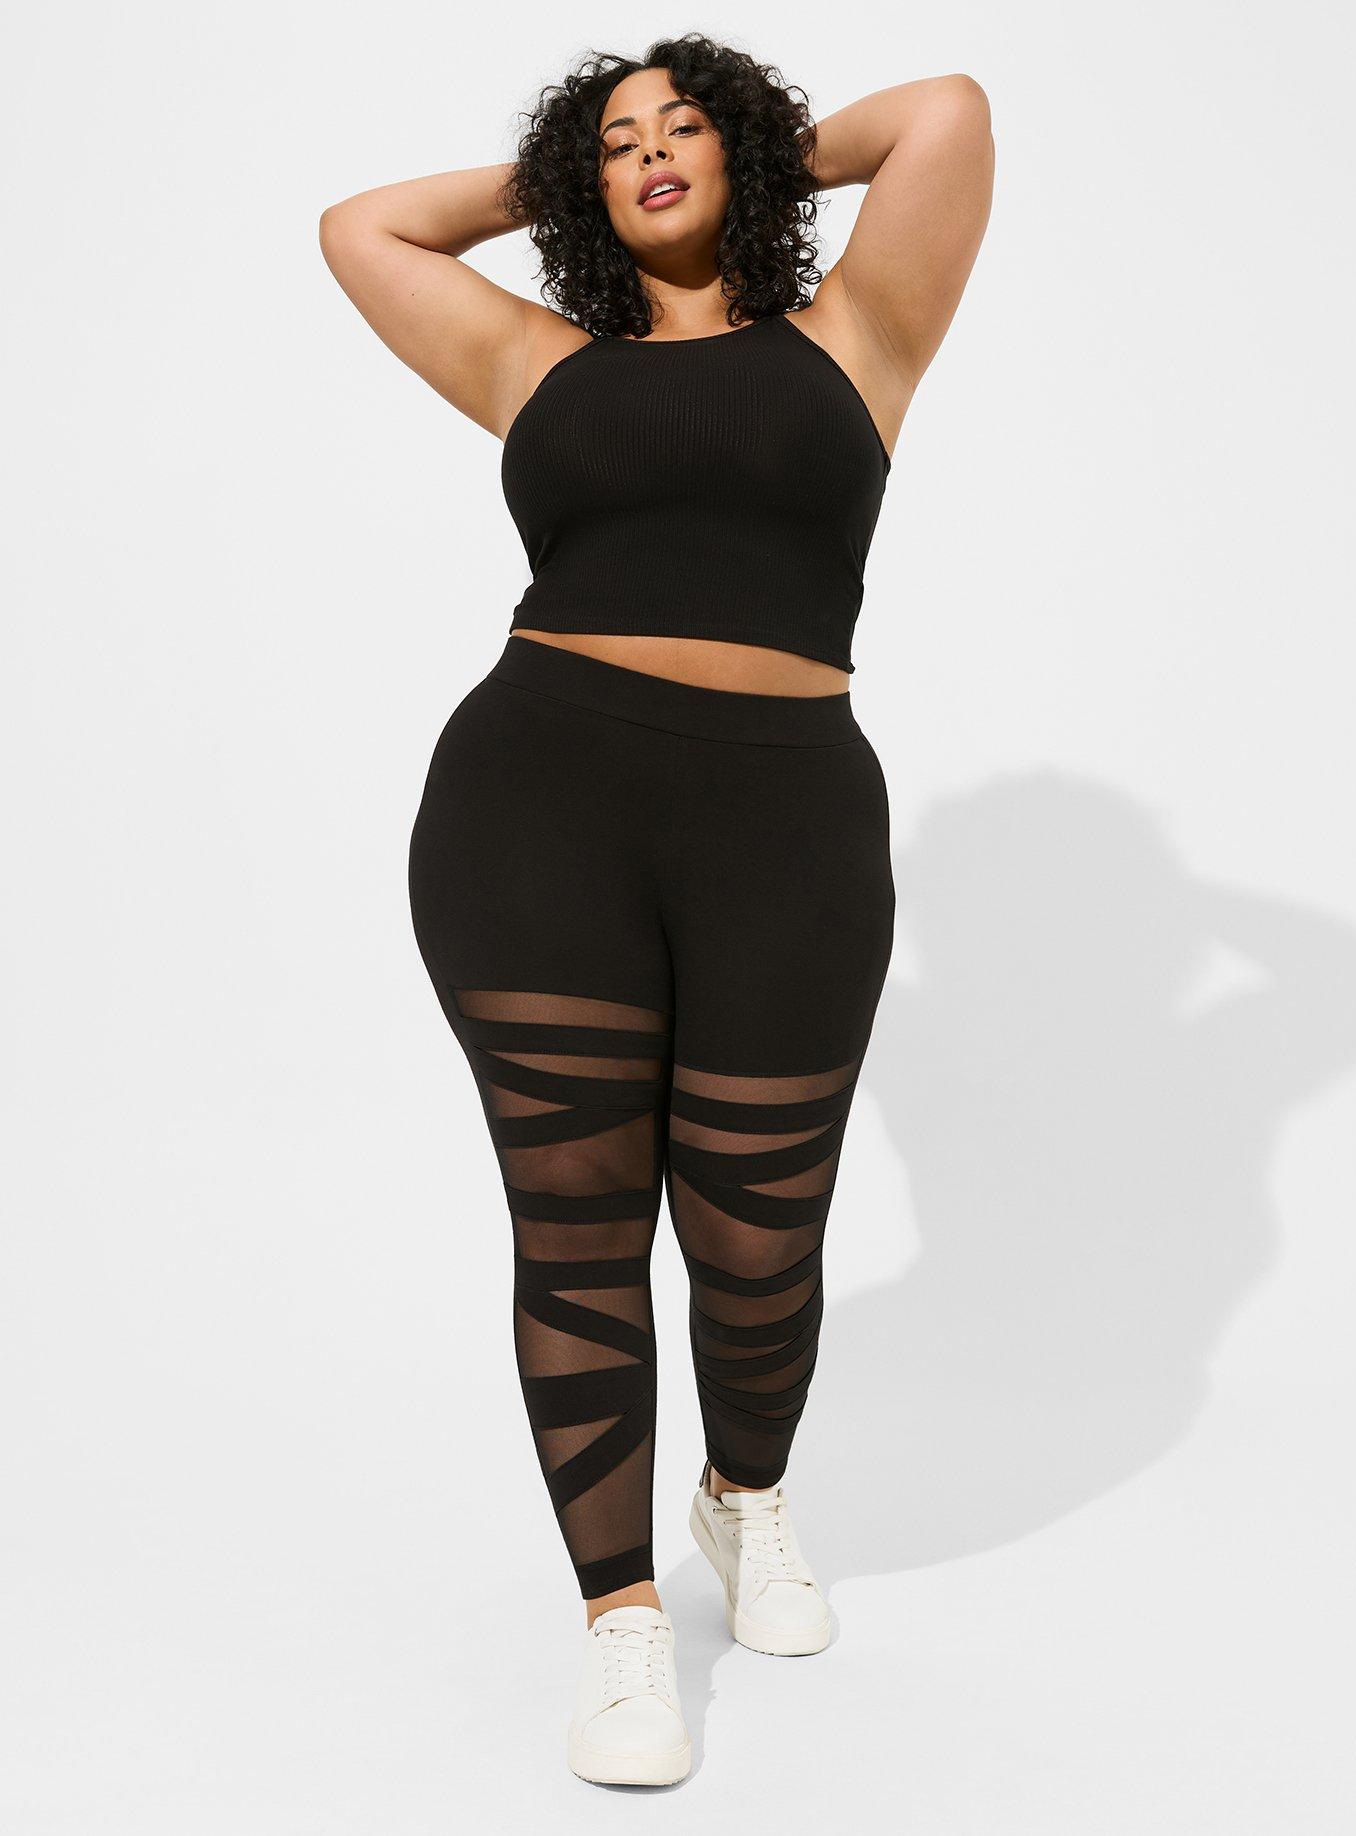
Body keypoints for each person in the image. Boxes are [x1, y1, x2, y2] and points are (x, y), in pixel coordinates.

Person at [319, 33, 993, 1787]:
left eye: (684, 127)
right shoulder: (534, 361)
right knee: (578, 1227)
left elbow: (943, 116)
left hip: (788, 823)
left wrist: (755, 146)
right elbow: (361, 228)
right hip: (538, 808)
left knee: (760, 1235)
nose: (651, 153)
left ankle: (742, 1497)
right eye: (616, 144)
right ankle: (619, 1618)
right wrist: (564, 184)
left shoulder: (860, 333)